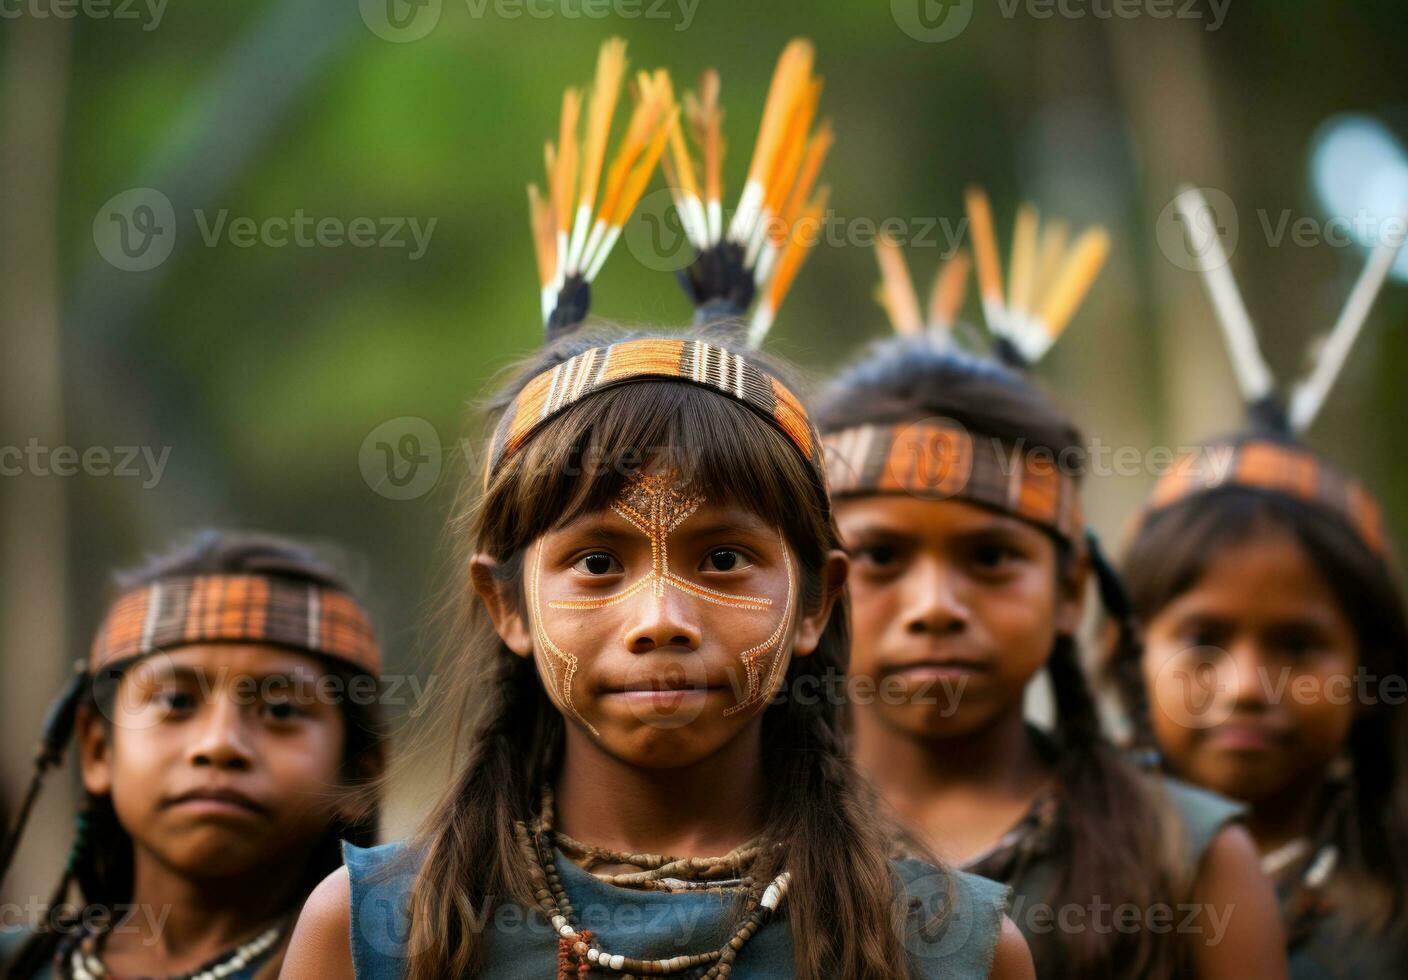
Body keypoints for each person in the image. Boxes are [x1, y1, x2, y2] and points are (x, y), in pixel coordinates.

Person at [282, 39, 1033, 980]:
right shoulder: (373, 935)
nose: (662, 622)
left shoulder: (948, 949)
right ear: (505, 602)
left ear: (815, 601)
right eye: (597, 563)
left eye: (724, 560)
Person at [813, 199, 1289, 978]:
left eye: (992, 558)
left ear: (1071, 591)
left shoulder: (1189, 859)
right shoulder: (731, 836)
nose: (936, 606)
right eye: (882, 556)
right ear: (815, 588)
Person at [1109, 184, 1408, 977]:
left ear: (1372, 672)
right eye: (1203, 637)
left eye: (1300, 645)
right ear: (1129, 656)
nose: (1246, 687)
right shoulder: (1057, 886)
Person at [0, 531, 386, 980]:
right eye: (176, 702)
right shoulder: (16, 965)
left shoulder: (394, 967)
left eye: (280, 709)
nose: (219, 743)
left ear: (358, 775)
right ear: (98, 751)